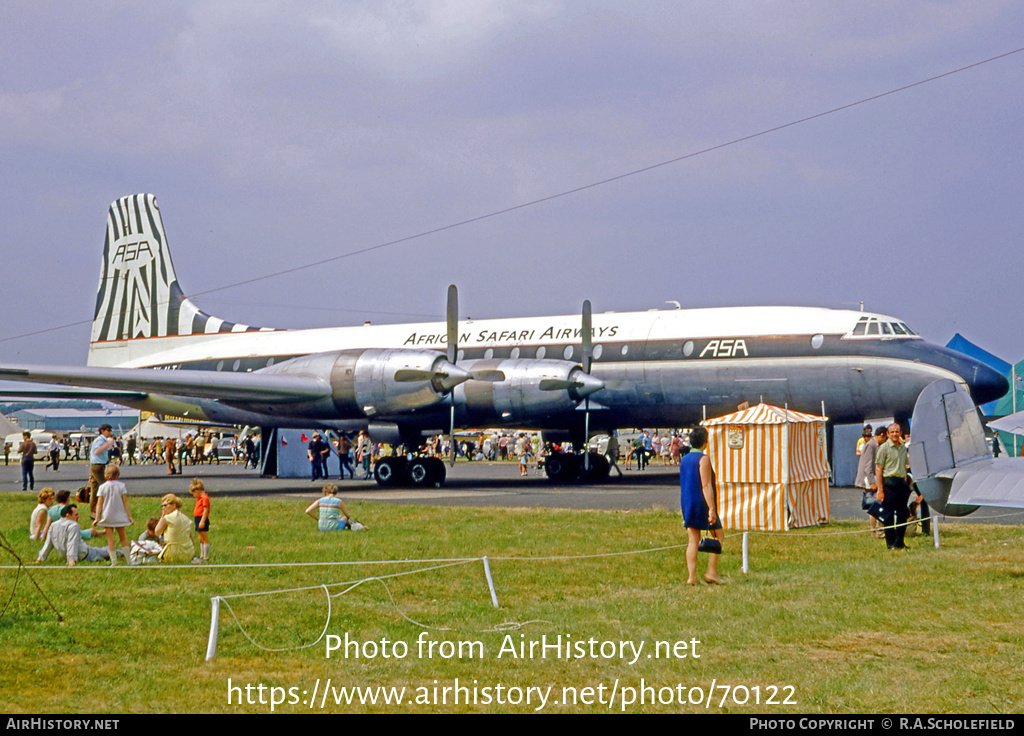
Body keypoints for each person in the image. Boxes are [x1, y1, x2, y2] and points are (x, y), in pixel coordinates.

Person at [679, 426, 724, 585]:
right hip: (701, 503)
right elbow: (706, 485)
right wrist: (711, 508)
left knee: (693, 539)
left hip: (687, 502)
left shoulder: (684, 459)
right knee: (719, 535)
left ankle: (692, 576)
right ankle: (712, 571)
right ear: (705, 442)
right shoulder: (703, 459)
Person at [875, 423, 912, 550]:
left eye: (897, 432)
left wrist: (906, 480)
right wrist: (880, 490)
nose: (895, 434)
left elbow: (905, 465)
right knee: (889, 515)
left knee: (902, 514)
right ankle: (890, 543)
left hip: (901, 483)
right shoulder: (884, 448)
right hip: (889, 483)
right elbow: (879, 469)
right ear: (888, 434)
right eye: (892, 432)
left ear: (900, 433)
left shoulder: (903, 448)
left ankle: (900, 542)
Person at [35, 505, 110, 566]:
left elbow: (48, 544)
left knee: (103, 550)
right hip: (87, 555)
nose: (78, 517)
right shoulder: (74, 525)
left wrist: (40, 558)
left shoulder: (53, 525)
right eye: (76, 514)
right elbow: (72, 543)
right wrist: (71, 561)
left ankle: (120, 554)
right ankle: (119, 553)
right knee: (107, 550)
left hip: (85, 552)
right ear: (68, 515)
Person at [94, 463, 135, 565]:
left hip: (107, 516)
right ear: (117, 475)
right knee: (123, 538)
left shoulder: (102, 487)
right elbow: (125, 502)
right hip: (120, 515)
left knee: (110, 539)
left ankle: (114, 561)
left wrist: (97, 517)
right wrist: (129, 516)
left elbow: (99, 504)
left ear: (105, 475)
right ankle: (128, 561)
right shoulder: (121, 486)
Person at [856, 426, 887, 538]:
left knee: (874, 504)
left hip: (869, 477)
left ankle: (875, 531)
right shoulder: (872, 445)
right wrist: (872, 481)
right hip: (869, 479)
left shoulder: (871, 444)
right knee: (875, 503)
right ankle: (876, 531)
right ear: (882, 435)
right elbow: (868, 465)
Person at [154, 494, 195, 563]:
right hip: (188, 554)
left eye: (165, 505)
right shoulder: (187, 519)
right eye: (162, 506)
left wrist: (162, 515)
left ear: (173, 505)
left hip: (172, 555)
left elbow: (157, 532)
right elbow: (192, 539)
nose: (163, 508)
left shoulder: (167, 518)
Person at [88, 424, 116, 516]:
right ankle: (106, 510)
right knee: (106, 487)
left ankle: (93, 512)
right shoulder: (100, 440)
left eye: (111, 430)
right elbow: (97, 451)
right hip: (98, 465)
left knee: (95, 489)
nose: (110, 432)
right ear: (102, 431)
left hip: (97, 465)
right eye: (108, 430)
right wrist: (107, 444)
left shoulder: (102, 440)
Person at [190, 478, 211, 562]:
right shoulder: (200, 499)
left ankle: (206, 556)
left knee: (204, 538)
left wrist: (202, 521)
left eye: (194, 493)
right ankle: (202, 555)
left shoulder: (204, 498)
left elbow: (205, 510)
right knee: (200, 538)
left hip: (201, 518)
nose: (194, 495)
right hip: (197, 518)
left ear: (197, 490)